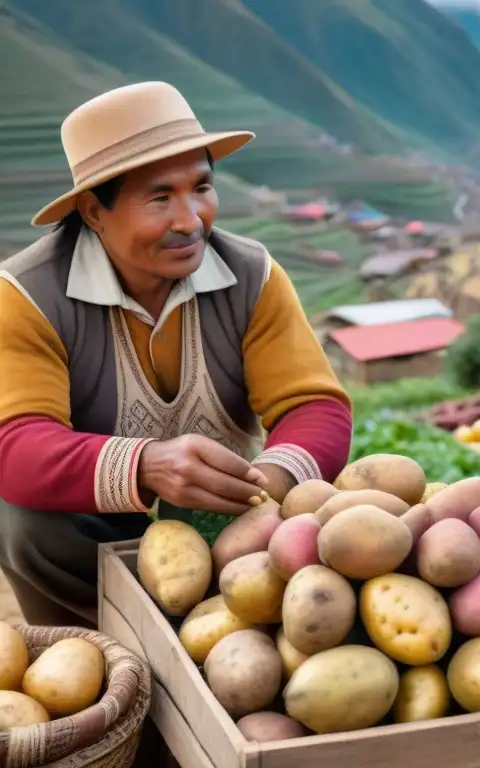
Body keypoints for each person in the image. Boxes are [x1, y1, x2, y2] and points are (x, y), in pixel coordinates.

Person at [0, 82, 353, 626]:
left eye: (202, 187)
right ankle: (101, 651)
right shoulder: (27, 297)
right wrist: (146, 466)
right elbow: (17, 446)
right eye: (160, 198)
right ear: (94, 211)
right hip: (102, 531)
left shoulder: (252, 275)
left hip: (236, 518)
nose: (191, 220)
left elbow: (316, 408)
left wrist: (269, 484)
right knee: (23, 521)